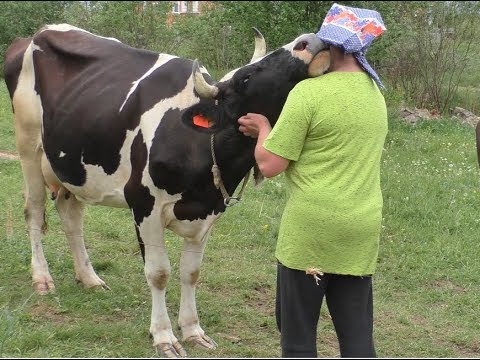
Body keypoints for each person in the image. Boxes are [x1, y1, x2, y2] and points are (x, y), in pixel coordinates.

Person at [238, 3, 388, 358]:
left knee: (298, 338)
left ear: (328, 44)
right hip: (360, 228)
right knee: (357, 338)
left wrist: (262, 129)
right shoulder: (375, 93)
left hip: (310, 233)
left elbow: (270, 164)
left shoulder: (308, 94)